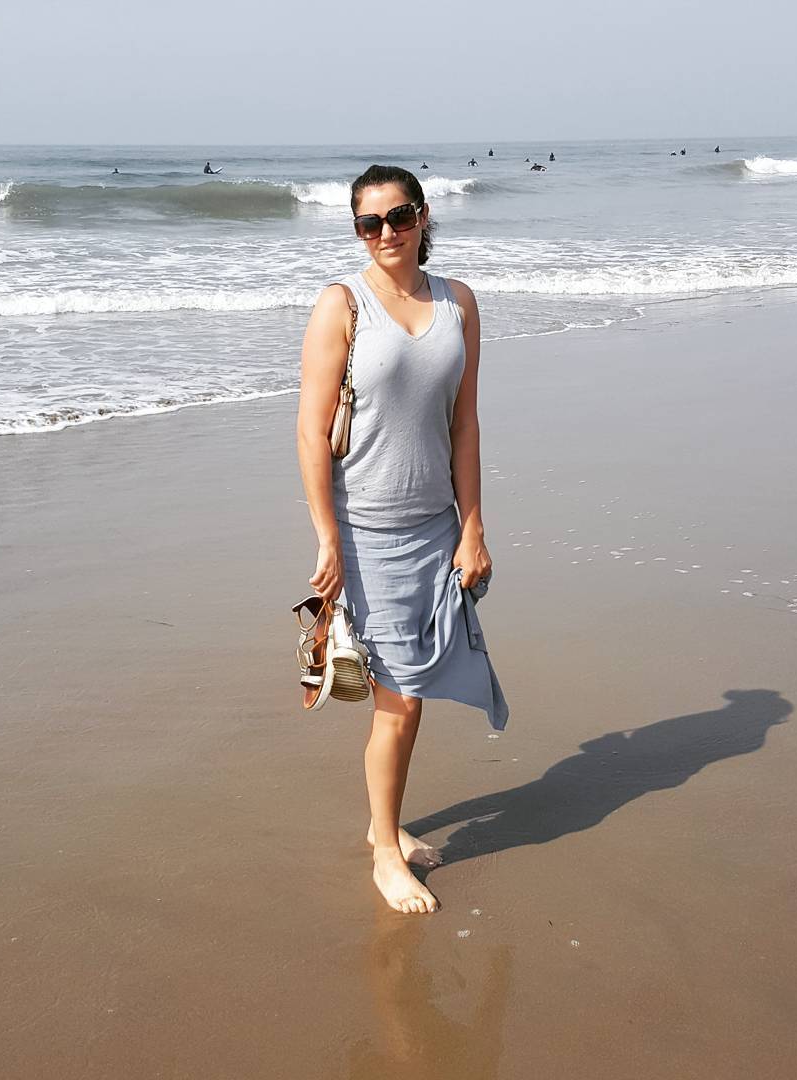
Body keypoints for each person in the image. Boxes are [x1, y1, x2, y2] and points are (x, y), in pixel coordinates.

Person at [296, 164, 508, 915]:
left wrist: (473, 525)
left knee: (408, 690)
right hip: (366, 535)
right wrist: (327, 537)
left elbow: (465, 424)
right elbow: (311, 432)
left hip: (436, 530)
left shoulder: (459, 303)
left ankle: (383, 826)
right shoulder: (342, 304)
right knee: (403, 698)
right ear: (357, 230)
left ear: (422, 216)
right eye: (368, 222)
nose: (385, 233)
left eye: (398, 217)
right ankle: (386, 851)